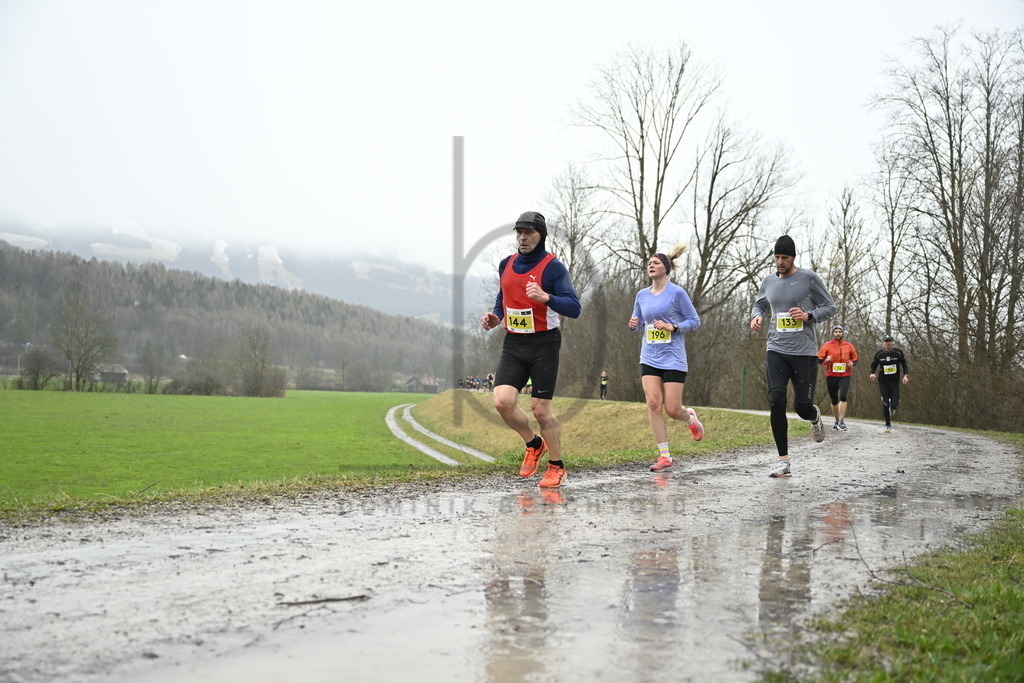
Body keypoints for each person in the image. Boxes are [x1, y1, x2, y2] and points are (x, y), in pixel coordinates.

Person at [481, 211, 581, 488]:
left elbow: (575, 307)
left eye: (529, 233)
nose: (523, 238)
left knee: (541, 411)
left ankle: (557, 466)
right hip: (513, 343)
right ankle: (534, 443)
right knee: (502, 401)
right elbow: (503, 297)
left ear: (541, 236)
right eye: (519, 233)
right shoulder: (506, 264)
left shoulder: (554, 268)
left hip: (544, 343)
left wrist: (547, 297)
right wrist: (495, 317)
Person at [750, 235, 837, 478]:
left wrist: (809, 316)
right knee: (776, 399)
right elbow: (760, 305)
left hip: (804, 352)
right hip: (776, 348)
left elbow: (830, 307)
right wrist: (756, 316)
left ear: (793, 257)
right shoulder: (768, 281)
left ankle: (814, 415)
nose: (779, 262)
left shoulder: (808, 279)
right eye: (776, 257)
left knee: (801, 407)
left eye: (784, 258)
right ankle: (783, 461)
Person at [628, 247, 704, 472]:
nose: (651, 265)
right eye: (649, 263)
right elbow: (638, 322)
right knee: (653, 403)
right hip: (649, 355)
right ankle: (664, 456)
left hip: (673, 357)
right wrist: (633, 325)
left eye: (656, 263)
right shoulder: (641, 295)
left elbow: (695, 321)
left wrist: (674, 326)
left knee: (672, 409)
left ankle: (689, 418)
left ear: (666, 269)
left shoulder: (677, 293)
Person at [817, 324, 858, 431]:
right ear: (833, 333)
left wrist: (852, 364)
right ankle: (836, 420)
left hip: (845, 375)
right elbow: (819, 360)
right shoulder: (827, 345)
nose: (838, 333)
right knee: (834, 399)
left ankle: (841, 421)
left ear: (842, 333)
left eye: (840, 332)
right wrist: (827, 360)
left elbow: (855, 359)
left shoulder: (849, 345)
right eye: (836, 332)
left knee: (843, 396)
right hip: (831, 375)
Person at [869, 334, 910, 433]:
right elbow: (873, 366)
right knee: (885, 403)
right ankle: (888, 425)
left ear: (892, 342)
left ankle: (893, 407)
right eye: (886, 341)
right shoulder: (879, 354)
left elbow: (904, 365)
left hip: (894, 381)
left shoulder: (898, 353)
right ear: (883, 343)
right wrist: (872, 374)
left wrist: (905, 375)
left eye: (889, 341)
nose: (888, 343)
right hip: (883, 381)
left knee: (895, 403)